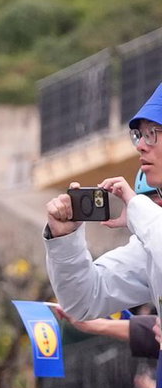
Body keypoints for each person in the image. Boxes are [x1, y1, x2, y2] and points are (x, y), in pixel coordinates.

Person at [45, 83, 162, 317]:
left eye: (152, 134)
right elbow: (85, 301)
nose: (140, 146)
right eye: (139, 135)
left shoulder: (149, 224)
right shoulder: (150, 236)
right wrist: (65, 240)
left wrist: (138, 207)